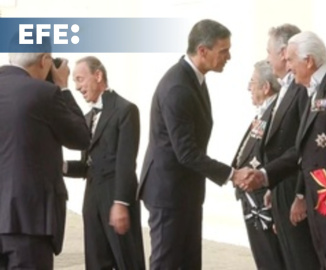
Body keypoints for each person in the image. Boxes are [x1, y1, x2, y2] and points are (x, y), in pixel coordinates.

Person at [241, 31, 326, 270]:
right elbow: (303, 152)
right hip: (319, 202)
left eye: (291, 60)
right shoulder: (316, 90)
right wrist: (268, 176)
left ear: (308, 61)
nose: (287, 67)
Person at [137, 19, 248, 269]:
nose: (228, 57)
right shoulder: (178, 86)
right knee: (167, 262)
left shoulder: (193, 78)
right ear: (202, 50)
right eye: (223, 51)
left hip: (184, 191)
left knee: (187, 262)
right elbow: (186, 152)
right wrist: (232, 174)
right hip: (168, 193)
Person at [0, 50, 90, 268]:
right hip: (29, 221)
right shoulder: (44, 93)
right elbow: (81, 137)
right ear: (44, 60)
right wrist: (63, 87)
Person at [64, 56, 145, 270]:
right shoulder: (87, 117)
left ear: (98, 75)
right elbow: (86, 166)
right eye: (74, 82)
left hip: (117, 199)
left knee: (128, 261)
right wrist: (61, 166)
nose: (77, 87)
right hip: (92, 204)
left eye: (80, 79)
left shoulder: (126, 110)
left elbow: (126, 163)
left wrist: (120, 203)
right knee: (96, 263)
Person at [263, 24, 320, 270]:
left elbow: (303, 145)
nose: (267, 58)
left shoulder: (300, 89)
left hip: (294, 185)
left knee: (302, 258)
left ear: (284, 52)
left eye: (269, 52)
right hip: (280, 186)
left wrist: (300, 195)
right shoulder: (286, 88)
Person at [232, 60, 285, 270]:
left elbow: (273, 156)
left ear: (266, 87)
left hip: (261, 199)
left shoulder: (274, 113)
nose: (248, 87)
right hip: (250, 197)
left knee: (271, 259)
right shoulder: (265, 111)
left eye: (252, 82)